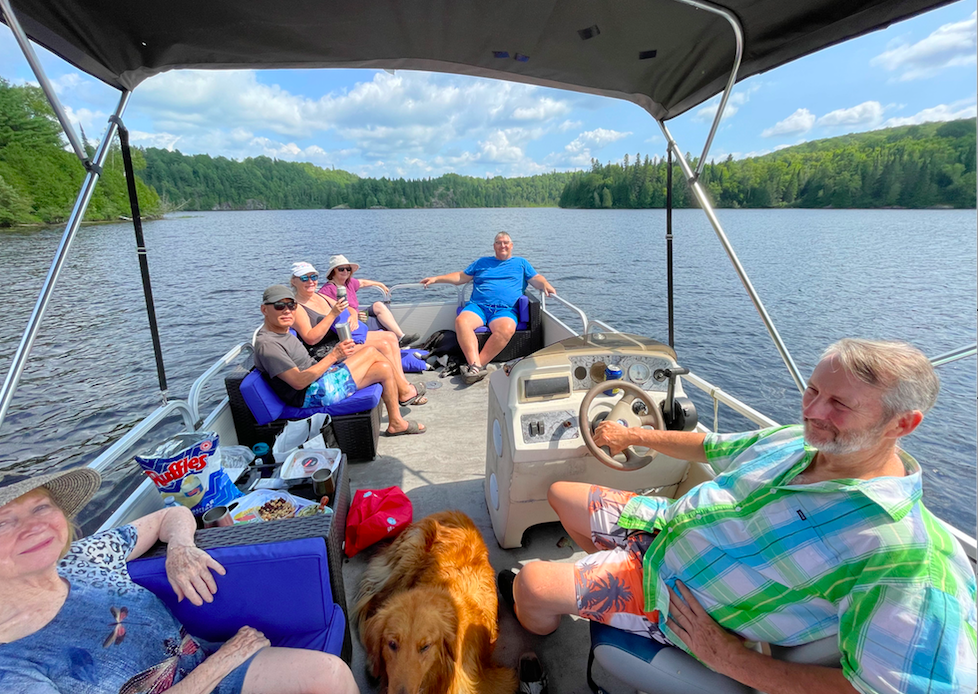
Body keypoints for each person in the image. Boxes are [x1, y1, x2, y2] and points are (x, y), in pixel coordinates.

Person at [500, 339, 977, 694]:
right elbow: (709, 446)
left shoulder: (910, 560)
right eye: (812, 390)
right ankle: (594, 580)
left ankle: (548, 616)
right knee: (562, 494)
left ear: (902, 424)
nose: (813, 411)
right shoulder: (799, 441)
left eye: (839, 404)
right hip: (664, 524)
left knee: (532, 586)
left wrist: (728, 658)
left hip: (677, 595)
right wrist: (632, 438)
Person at [0, 467, 358, 693]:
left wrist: (180, 549)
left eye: (41, 506)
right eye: (4, 521)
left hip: (205, 666)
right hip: (211, 671)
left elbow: (171, 514)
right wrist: (225, 660)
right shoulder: (8, 665)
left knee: (328, 676)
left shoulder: (85, 557)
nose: (33, 526)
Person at [254, 284, 425, 436]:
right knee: (372, 352)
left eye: (291, 305)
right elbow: (299, 382)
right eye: (279, 306)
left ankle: (396, 423)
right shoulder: (268, 344)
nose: (287, 310)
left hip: (319, 380)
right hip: (311, 394)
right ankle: (404, 393)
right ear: (264, 310)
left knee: (384, 367)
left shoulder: (281, 331)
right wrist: (334, 355)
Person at [420, 232, 556, 384]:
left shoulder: (521, 263)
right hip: (479, 307)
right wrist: (436, 279)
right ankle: (474, 366)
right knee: (462, 322)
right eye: (499, 242)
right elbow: (461, 277)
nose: (502, 245)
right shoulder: (482, 262)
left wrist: (545, 284)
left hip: (505, 309)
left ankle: (475, 367)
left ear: (511, 245)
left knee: (507, 329)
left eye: (505, 242)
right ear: (494, 246)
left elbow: (536, 278)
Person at [288, 263, 427, 408]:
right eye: (304, 277)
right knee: (384, 344)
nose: (310, 281)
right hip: (325, 352)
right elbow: (310, 338)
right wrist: (333, 314)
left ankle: (403, 386)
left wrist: (353, 316)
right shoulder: (296, 306)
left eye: (313, 277)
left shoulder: (320, 296)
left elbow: (347, 307)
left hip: (339, 340)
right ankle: (404, 391)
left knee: (390, 337)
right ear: (294, 281)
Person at [318, 254, 419, 348]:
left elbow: (363, 282)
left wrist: (380, 284)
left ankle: (400, 337)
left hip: (359, 314)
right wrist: (354, 315)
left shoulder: (349, 282)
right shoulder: (328, 290)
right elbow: (331, 309)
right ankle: (395, 342)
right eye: (341, 269)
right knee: (382, 322)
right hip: (351, 320)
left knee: (378, 305)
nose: (345, 271)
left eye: (348, 269)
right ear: (333, 272)